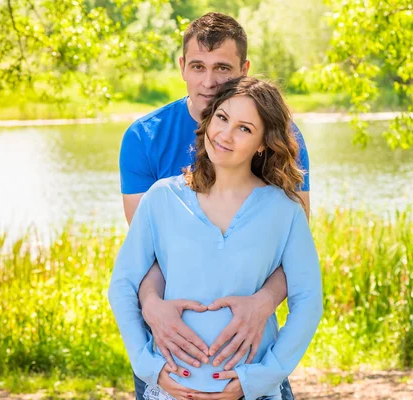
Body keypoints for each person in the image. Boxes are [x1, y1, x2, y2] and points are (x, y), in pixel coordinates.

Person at [119, 12, 310, 400]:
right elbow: (145, 255)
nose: (209, 82)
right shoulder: (145, 138)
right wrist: (152, 305)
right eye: (198, 66)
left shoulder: (278, 136)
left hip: (249, 349)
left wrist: (262, 304)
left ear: (244, 68)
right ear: (182, 68)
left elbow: (293, 247)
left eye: (222, 67)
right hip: (173, 347)